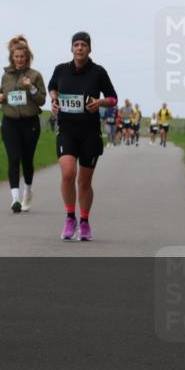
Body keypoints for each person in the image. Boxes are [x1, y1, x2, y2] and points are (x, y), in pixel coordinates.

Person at [48, 32, 117, 242]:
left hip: (90, 133)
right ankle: (70, 218)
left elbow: (113, 98)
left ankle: (85, 222)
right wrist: (54, 100)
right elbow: (52, 87)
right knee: (68, 173)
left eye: (83, 45)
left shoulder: (98, 72)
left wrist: (99, 103)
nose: (79, 48)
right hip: (67, 130)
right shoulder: (61, 70)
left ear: (89, 49)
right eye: (76, 45)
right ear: (71, 49)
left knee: (84, 182)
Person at [0, 35, 47, 213]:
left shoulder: (35, 75)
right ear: (12, 57)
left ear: (28, 57)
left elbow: (41, 100)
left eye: (22, 57)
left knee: (27, 160)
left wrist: (30, 87)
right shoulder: (6, 76)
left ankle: (28, 192)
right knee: (13, 158)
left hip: (29, 122)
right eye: (16, 57)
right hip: (10, 122)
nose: (19, 60)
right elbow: (1, 94)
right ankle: (15, 199)